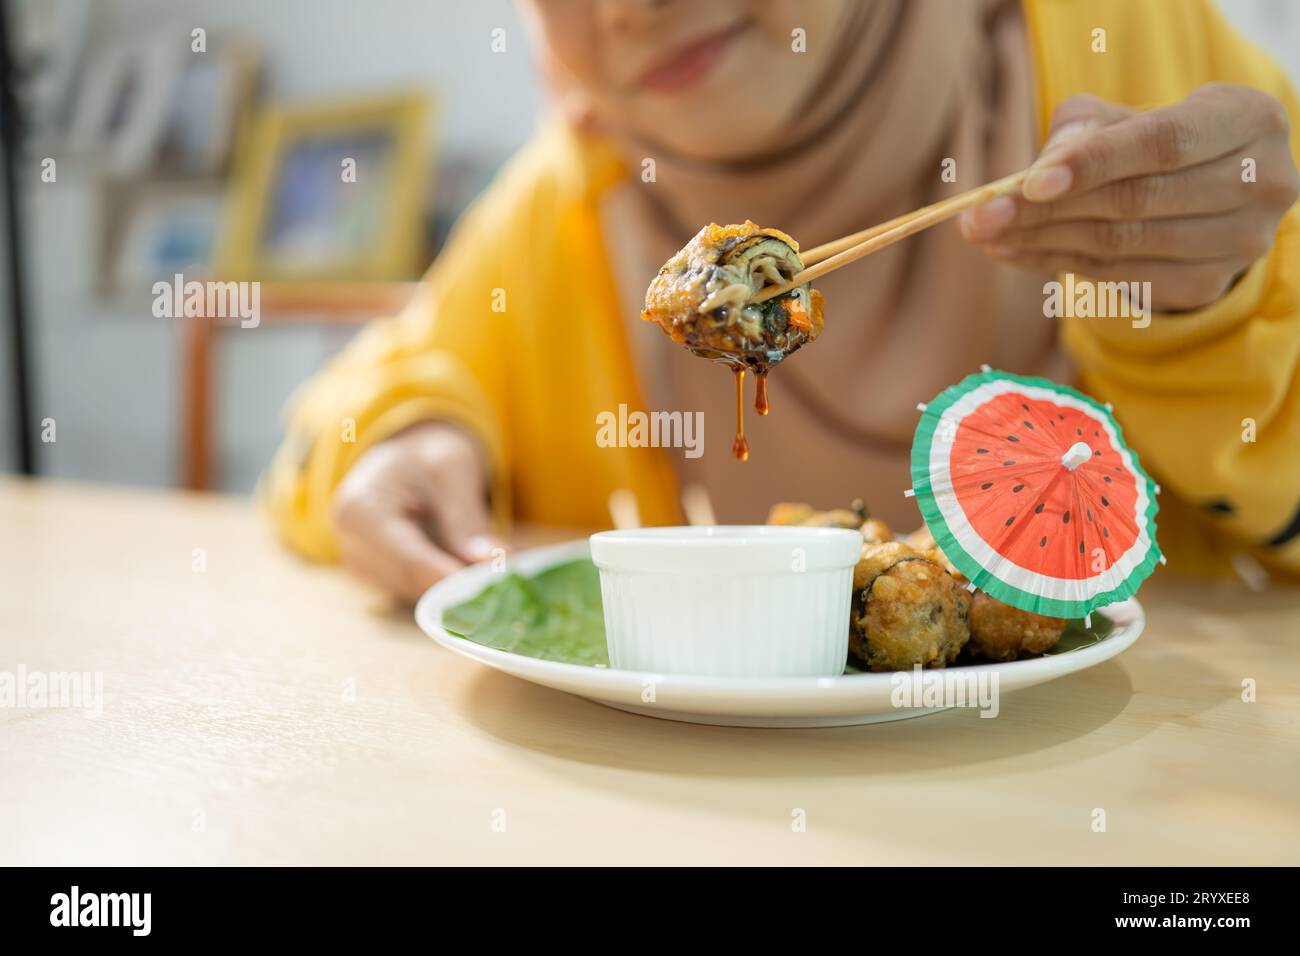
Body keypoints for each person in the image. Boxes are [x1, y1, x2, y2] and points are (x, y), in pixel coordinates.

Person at [265, 0, 1300, 602]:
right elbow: (366, 393)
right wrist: (409, 439)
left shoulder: (1133, 46)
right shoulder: (579, 188)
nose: (629, 9)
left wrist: (1204, 310)